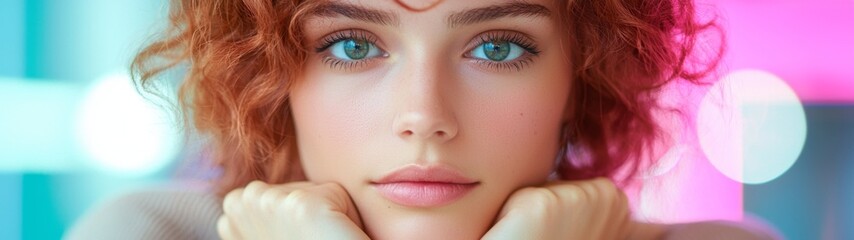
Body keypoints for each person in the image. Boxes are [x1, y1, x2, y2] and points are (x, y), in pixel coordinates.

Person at [67, 0, 779, 239]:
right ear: (269, 72)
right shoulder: (145, 230)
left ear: (583, 80)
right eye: (352, 45)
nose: (423, 117)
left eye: (497, 47)